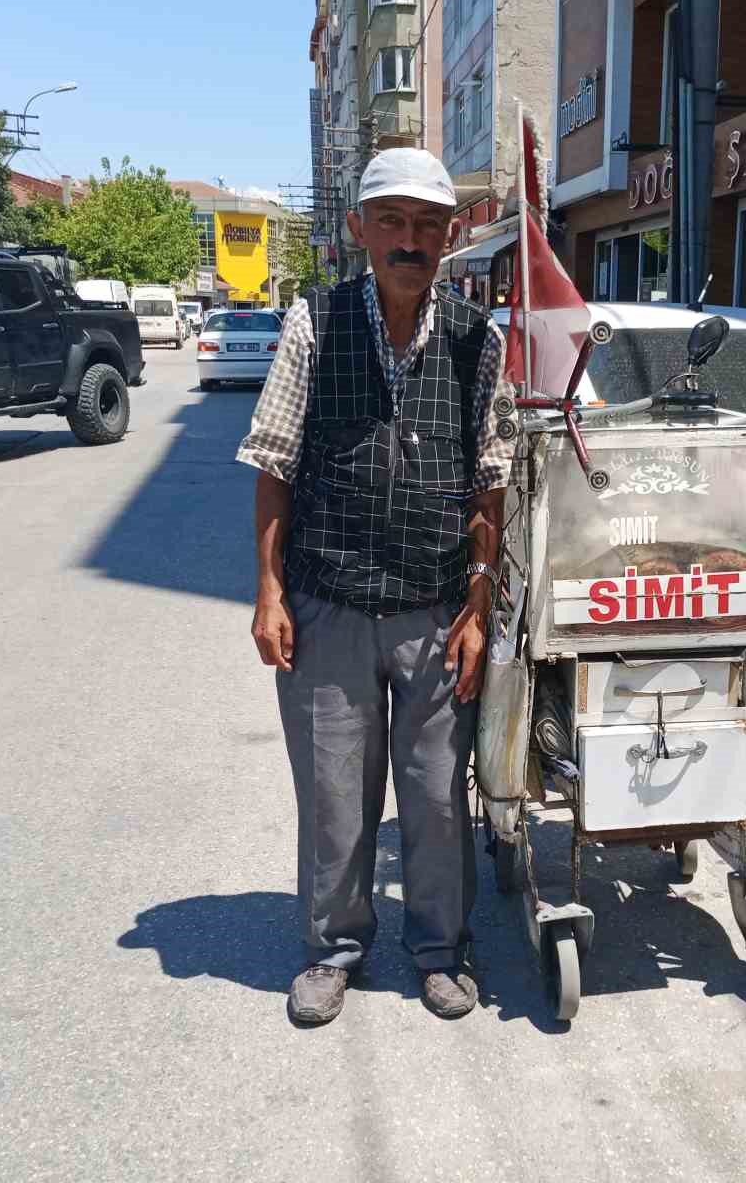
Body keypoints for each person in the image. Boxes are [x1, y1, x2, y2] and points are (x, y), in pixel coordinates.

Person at [236, 148, 516, 1025]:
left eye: (427, 225)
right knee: (333, 795)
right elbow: (274, 465)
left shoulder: (479, 338)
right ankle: (333, 949)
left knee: (436, 796)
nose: (409, 240)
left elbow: (491, 480)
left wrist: (478, 605)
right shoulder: (314, 325)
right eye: (391, 222)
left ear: (452, 237)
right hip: (329, 603)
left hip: (436, 608)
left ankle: (438, 948)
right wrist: (271, 592)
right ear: (358, 230)